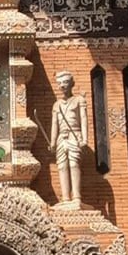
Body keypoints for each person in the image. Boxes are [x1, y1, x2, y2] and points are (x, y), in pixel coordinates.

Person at [49, 70, 88, 208]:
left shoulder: (79, 100)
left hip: (74, 135)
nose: (62, 86)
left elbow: (83, 119)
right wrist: (53, 142)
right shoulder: (57, 105)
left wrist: (84, 139)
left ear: (72, 84)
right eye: (59, 83)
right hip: (61, 138)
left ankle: (76, 196)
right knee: (62, 166)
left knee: (73, 164)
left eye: (65, 82)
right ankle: (65, 198)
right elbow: (55, 124)